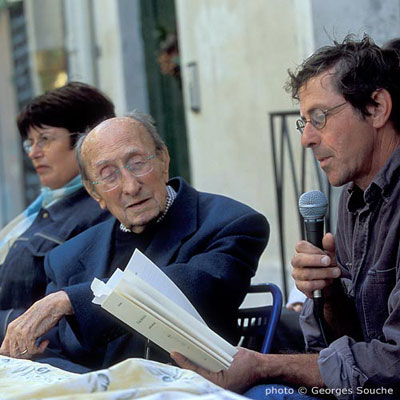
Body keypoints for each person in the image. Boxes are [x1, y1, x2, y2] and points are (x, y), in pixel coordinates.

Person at [171, 35, 400, 399]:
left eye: (320, 118)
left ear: (376, 108)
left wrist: (265, 366)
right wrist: (328, 289)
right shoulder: (352, 198)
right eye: (303, 122)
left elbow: (392, 367)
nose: (306, 139)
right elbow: (354, 338)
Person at [0, 111, 269, 373]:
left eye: (138, 162)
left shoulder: (231, 223)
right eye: (108, 174)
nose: (130, 186)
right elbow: (50, 351)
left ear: (163, 159)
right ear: (94, 192)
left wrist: (73, 300)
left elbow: (190, 289)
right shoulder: (66, 257)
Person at [0, 82, 114, 342]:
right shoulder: (43, 207)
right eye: (30, 142)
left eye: (45, 139)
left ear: (86, 140)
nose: (34, 153)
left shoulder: (98, 213)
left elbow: (67, 321)